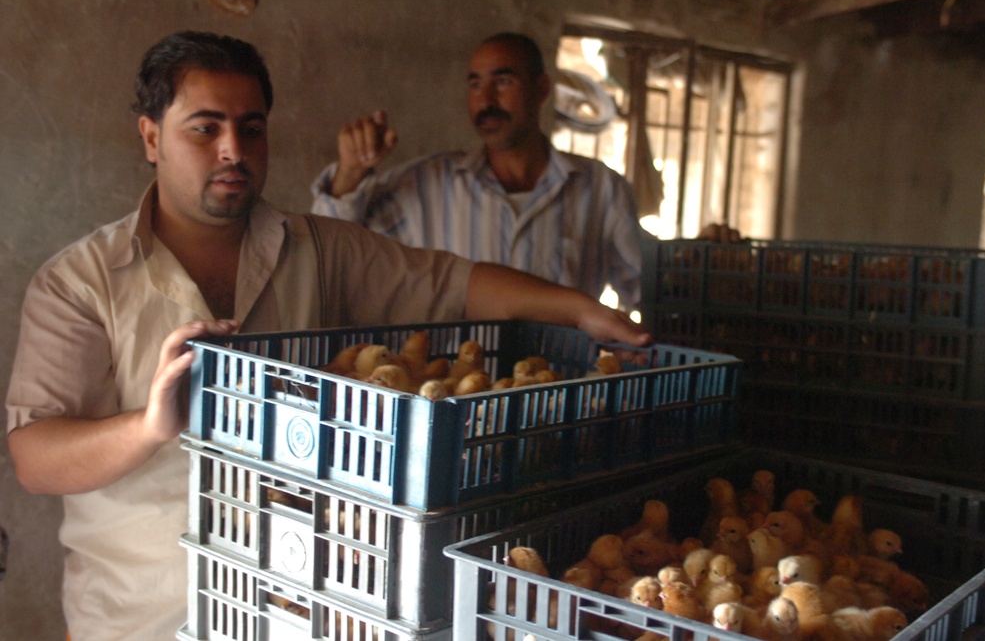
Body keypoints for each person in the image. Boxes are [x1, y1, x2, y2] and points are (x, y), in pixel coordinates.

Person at [4, 31, 650, 641]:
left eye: (250, 128)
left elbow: (456, 283)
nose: (232, 148)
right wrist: (148, 425)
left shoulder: (314, 249)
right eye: (205, 128)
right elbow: (35, 456)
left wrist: (580, 310)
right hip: (139, 618)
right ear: (151, 137)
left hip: (294, 608)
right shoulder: (83, 282)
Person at [311, 32, 645, 309]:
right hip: (452, 383)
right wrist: (351, 171)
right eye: (474, 85)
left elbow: (643, 293)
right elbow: (331, 250)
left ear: (542, 89)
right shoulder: (429, 184)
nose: (486, 99)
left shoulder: (601, 189)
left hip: (558, 383)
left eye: (503, 81)